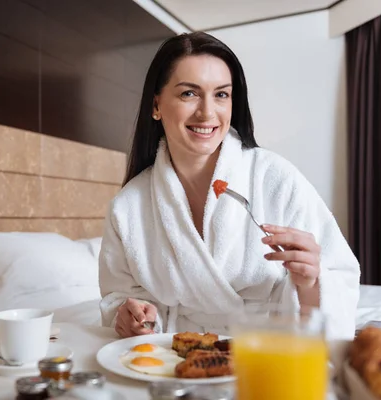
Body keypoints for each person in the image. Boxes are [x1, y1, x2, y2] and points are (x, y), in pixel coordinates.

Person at [98, 32, 360, 340]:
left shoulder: (275, 178)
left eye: (221, 95)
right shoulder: (127, 207)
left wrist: (311, 282)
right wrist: (135, 318)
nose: (207, 113)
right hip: (175, 360)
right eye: (188, 94)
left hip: (268, 350)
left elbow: (339, 279)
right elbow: (119, 300)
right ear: (156, 105)